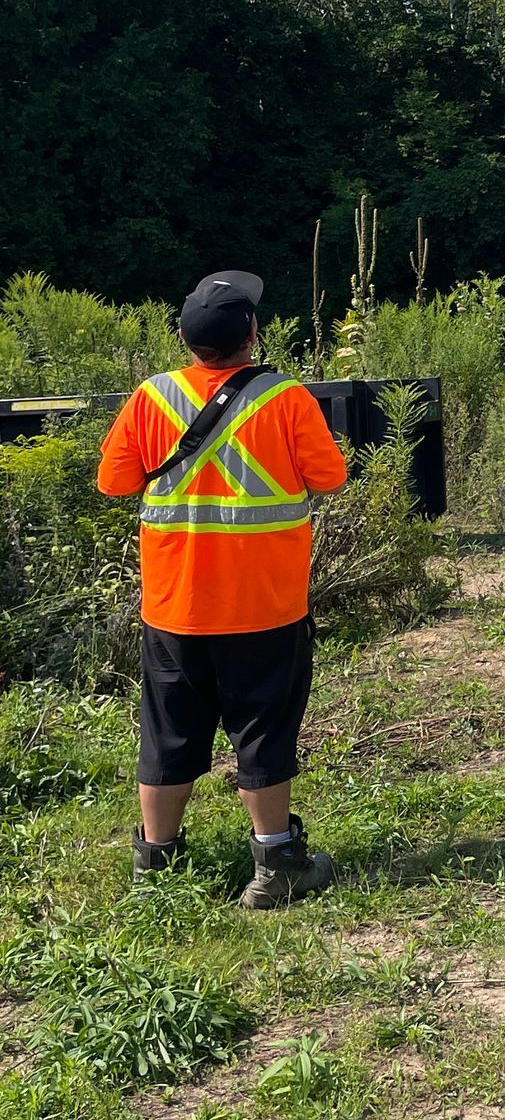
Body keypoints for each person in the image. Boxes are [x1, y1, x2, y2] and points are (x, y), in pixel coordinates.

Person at [97, 270, 349, 906]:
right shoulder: (284, 398)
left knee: (168, 731)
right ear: (253, 335)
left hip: (174, 606)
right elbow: (330, 475)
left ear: (184, 338)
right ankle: (276, 864)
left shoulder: (150, 398)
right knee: (263, 729)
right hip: (264, 604)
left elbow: (115, 482)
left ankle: (156, 862)